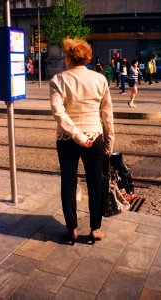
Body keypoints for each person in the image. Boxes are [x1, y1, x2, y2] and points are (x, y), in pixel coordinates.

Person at [49, 38, 114, 245]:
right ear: (87, 57)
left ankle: (72, 228)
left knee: (68, 182)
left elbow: (59, 113)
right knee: (95, 182)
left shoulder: (57, 80)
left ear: (68, 58)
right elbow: (107, 114)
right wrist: (109, 142)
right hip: (94, 137)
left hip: (67, 138)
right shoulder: (99, 79)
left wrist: (76, 135)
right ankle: (95, 228)